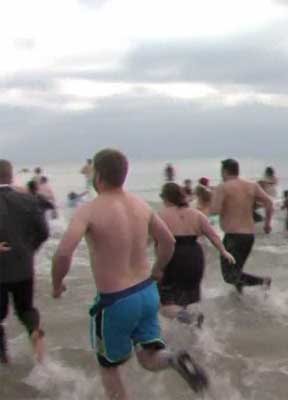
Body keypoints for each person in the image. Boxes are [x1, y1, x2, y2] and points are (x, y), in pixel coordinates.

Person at [51, 149, 208, 399]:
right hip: (147, 294)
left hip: (115, 301)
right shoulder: (140, 205)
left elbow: (63, 253)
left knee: (109, 368)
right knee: (149, 356)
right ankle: (173, 358)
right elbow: (167, 241)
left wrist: (57, 284)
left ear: (98, 176)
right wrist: (157, 269)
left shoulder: (89, 210)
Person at [156, 183, 235, 326]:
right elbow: (213, 235)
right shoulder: (196, 214)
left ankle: (189, 318)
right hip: (194, 256)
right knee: (185, 299)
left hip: (173, 256)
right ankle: (192, 339)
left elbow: (148, 239)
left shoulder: (161, 215)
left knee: (162, 303)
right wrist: (223, 251)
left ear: (166, 198)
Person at [0, 159, 50, 364]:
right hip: (23, 267)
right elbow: (43, 232)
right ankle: (35, 334)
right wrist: (29, 249)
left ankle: (3, 360)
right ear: (11, 176)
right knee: (27, 309)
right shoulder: (28, 200)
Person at [211, 158, 273, 293]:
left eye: (221, 172)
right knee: (236, 271)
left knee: (229, 276)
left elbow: (214, 210)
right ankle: (240, 299)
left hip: (233, 237)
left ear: (225, 171)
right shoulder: (251, 185)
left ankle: (263, 281)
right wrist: (267, 224)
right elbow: (269, 202)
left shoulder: (223, 186)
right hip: (248, 236)